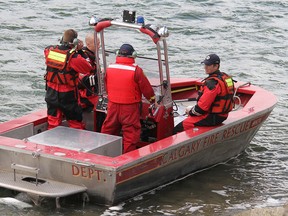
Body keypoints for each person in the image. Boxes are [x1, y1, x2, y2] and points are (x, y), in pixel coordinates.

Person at [101, 44, 155, 153]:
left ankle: (104, 153)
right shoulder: (136, 70)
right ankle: (128, 157)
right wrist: (153, 101)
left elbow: (106, 86)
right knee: (130, 133)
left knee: (108, 129)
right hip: (130, 108)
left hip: (112, 105)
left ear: (118, 54)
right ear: (133, 55)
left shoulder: (110, 68)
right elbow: (147, 89)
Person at [44, 29, 93, 130]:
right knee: (75, 123)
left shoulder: (50, 52)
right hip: (68, 96)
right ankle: (77, 144)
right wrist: (79, 50)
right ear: (75, 41)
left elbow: (47, 49)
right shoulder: (74, 58)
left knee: (53, 122)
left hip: (51, 93)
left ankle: (51, 144)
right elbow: (88, 68)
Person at [173, 54, 235, 134]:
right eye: (205, 64)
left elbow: (201, 108)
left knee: (179, 126)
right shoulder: (226, 78)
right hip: (223, 115)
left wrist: (191, 111)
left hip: (212, 117)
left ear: (216, 66)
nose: (205, 67)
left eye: (208, 65)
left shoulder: (211, 84)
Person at [78, 32, 99, 111]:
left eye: (99, 43)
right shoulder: (83, 58)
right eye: (97, 43)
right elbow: (83, 80)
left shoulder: (92, 56)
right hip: (85, 95)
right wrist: (100, 76)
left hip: (93, 91)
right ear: (88, 44)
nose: (99, 45)